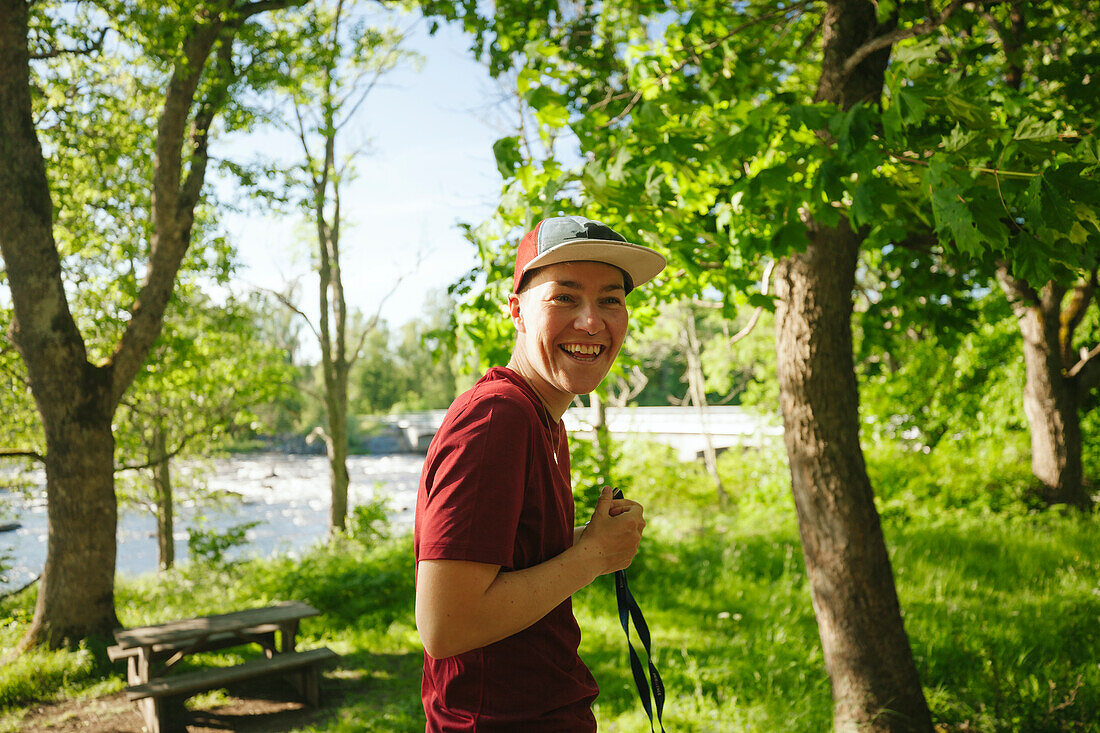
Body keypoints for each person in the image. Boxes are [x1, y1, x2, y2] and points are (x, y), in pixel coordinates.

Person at [413, 215, 667, 731]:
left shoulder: (541, 417)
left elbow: (503, 561)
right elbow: (445, 625)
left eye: (611, 300)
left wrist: (592, 541)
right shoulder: (497, 418)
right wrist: (593, 556)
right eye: (565, 298)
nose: (592, 322)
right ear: (517, 312)